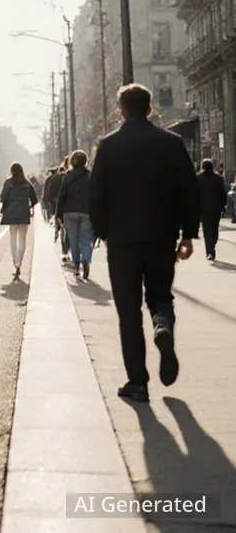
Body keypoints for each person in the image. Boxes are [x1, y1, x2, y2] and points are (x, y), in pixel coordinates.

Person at [88, 84, 199, 403]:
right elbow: (189, 190)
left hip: (122, 241)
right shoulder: (172, 143)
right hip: (162, 237)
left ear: (121, 110)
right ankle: (162, 326)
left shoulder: (108, 146)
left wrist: (102, 231)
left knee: (128, 309)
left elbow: (95, 194)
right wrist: (188, 234)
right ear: (150, 109)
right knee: (160, 296)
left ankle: (138, 381)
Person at [56, 150, 94, 280]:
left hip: (69, 211)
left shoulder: (68, 175)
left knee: (73, 240)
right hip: (86, 211)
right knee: (86, 238)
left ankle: (77, 267)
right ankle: (86, 260)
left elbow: (62, 195)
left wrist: (58, 214)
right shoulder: (90, 175)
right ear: (85, 161)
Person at [0, 163, 38, 280]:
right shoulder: (27, 183)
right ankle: (19, 261)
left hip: (11, 213)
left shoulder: (8, 182)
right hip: (23, 213)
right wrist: (31, 209)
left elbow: (2, 198)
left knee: (12, 239)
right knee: (22, 239)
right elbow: (34, 199)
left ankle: (15, 262)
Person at [198, 158, 226, 262]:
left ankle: (209, 250)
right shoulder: (218, 179)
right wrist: (223, 206)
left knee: (206, 230)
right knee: (214, 229)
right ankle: (212, 247)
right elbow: (223, 194)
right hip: (216, 209)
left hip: (204, 209)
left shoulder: (198, 178)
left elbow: (195, 194)